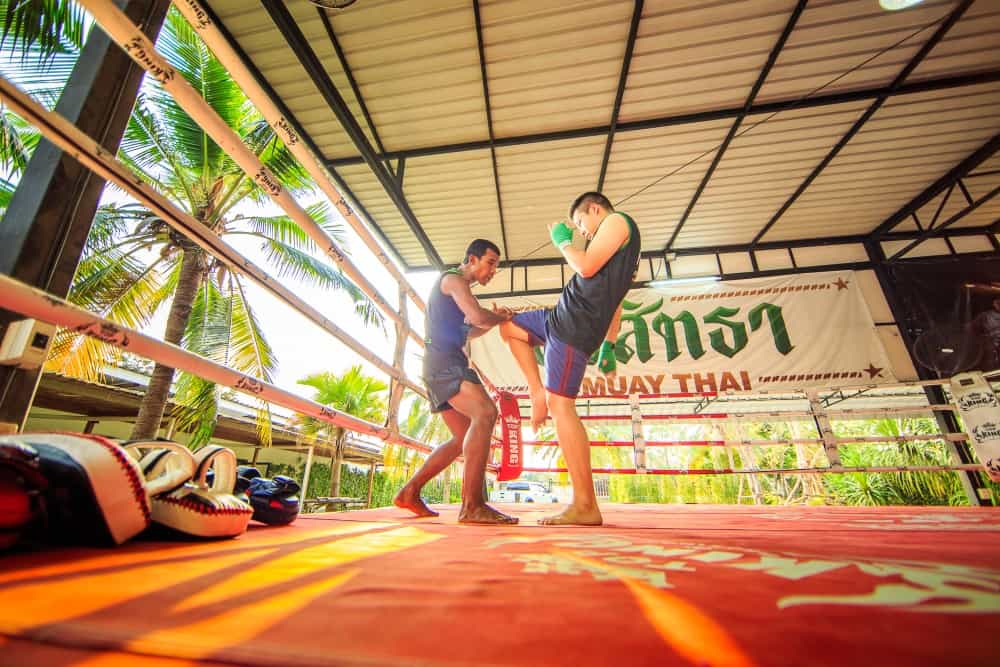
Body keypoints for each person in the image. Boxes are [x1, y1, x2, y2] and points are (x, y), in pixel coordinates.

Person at [498, 192, 641, 526]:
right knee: (508, 327)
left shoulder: (617, 221)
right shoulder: (622, 255)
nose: (582, 232)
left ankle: (585, 504)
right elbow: (616, 301)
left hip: (571, 328)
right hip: (558, 318)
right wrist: (610, 344)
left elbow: (586, 266)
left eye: (581, 223)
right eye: (576, 230)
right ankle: (536, 392)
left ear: (595, 209)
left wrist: (563, 242)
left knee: (562, 407)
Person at [394, 239, 518, 524]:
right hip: (445, 364)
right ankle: (472, 505)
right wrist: (498, 319)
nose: (492, 271)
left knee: (463, 437)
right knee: (486, 413)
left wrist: (495, 319)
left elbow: (470, 331)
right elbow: (477, 316)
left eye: (495, 266)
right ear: (472, 259)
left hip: (442, 364)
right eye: (490, 263)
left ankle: (410, 491)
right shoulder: (453, 280)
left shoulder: (457, 291)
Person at [970, 297, 1000, 370]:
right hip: (989, 349)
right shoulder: (985, 316)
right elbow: (972, 328)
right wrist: (982, 339)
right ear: (994, 303)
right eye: (998, 303)